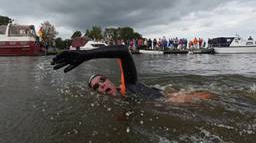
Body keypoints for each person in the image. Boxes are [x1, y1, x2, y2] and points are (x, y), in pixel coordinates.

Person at [51, 45, 215, 103]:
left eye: (102, 80)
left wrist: (86, 55)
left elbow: (123, 51)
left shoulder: (128, 85)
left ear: (109, 81)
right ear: (97, 94)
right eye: (97, 87)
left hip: (179, 101)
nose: (102, 85)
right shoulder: (119, 100)